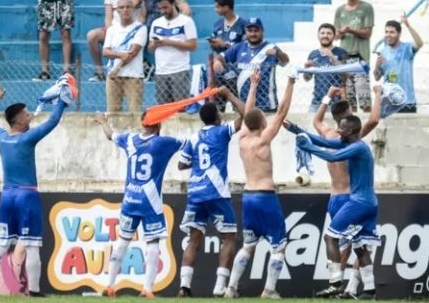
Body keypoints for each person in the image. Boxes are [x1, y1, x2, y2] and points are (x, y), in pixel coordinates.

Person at [0, 82, 68, 297]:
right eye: (27, 115)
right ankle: (35, 291)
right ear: (17, 120)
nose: (30, 117)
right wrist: (63, 102)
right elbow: (53, 121)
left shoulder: (1, 137)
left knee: (0, 243)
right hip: (27, 195)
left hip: (7, 196)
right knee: (32, 244)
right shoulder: (27, 138)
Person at [94, 111, 184, 299]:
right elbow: (188, 142)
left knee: (123, 241)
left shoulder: (129, 139)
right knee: (153, 242)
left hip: (130, 200)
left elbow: (111, 135)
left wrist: (103, 121)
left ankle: (109, 286)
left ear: (143, 124)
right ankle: (147, 289)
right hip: (150, 202)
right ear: (158, 125)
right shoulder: (163, 143)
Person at [290, 114, 381, 299]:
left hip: (359, 203)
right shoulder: (352, 144)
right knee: (359, 245)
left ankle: (335, 282)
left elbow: (332, 157)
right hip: (370, 202)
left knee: (330, 237)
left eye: (341, 128)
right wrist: (296, 130)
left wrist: (308, 147)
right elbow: (325, 142)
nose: (338, 130)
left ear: (351, 131)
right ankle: (370, 289)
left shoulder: (357, 148)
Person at [224, 72, 296, 298]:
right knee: (279, 246)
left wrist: (253, 85)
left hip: (248, 197)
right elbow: (282, 111)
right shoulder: (264, 139)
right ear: (263, 122)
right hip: (266, 197)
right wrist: (290, 83)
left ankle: (231, 288)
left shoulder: (243, 140)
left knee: (248, 245)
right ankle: (269, 290)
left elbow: (248, 113)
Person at [177, 87, 246, 297]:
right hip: (216, 191)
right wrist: (229, 95)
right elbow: (246, 113)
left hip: (196, 192)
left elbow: (181, 165)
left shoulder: (193, 138)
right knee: (228, 238)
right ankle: (219, 287)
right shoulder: (222, 131)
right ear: (217, 116)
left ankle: (184, 287)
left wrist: (199, 163)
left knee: (193, 240)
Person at [214, 17, 290, 112]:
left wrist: (277, 53)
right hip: (243, 104)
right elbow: (220, 57)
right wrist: (217, 62)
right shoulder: (239, 47)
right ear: (246, 32)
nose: (253, 34)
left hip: (266, 105)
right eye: (250, 31)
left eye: (256, 30)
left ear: (262, 31)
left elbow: (286, 61)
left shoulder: (270, 47)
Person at [88, 0, 145, 82]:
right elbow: (108, 17)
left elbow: (133, 4)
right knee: (91, 35)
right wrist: (111, 34)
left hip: (132, 31)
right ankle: (99, 72)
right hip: (114, 29)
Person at [148, 0, 198, 103]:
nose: (163, 11)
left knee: (180, 108)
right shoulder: (156, 23)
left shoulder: (186, 22)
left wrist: (169, 42)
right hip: (161, 71)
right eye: (160, 8)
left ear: (173, 4)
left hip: (179, 70)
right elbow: (150, 48)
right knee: (163, 108)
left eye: (165, 7)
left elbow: (193, 46)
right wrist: (155, 44)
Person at [334, 0, 374, 112]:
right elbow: (336, 35)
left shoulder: (367, 8)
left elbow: (368, 33)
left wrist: (350, 30)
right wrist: (341, 32)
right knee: (349, 99)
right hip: (345, 58)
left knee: (365, 98)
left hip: (361, 58)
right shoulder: (340, 11)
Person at [103, 0, 147, 114]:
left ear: (133, 9)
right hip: (113, 78)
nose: (125, 10)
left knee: (135, 113)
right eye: (122, 7)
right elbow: (105, 52)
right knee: (112, 113)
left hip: (133, 76)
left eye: (128, 7)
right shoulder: (112, 29)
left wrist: (116, 68)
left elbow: (132, 53)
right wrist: (120, 54)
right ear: (117, 11)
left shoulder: (140, 28)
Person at [373, 15, 424, 113]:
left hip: (407, 101)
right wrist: (377, 65)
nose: (388, 35)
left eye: (392, 32)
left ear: (399, 34)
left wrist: (408, 25)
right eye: (386, 32)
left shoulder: (406, 48)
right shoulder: (383, 51)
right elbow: (377, 77)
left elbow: (419, 43)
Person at [209, 0, 246, 111]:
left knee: (237, 103)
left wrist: (225, 44)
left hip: (236, 69)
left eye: (217, 7)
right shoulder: (217, 24)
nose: (215, 10)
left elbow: (245, 46)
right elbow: (214, 48)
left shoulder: (243, 25)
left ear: (226, 7)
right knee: (218, 104)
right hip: (219, 69)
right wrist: (214, 44)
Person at [305, 24, 349, 112]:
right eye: (322, 33)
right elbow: (307, 78)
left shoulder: (342, 52)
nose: (325, 36)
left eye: (329, 33)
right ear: (318, 35)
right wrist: (306, 68)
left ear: (334, 36)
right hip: (317, 101)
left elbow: (346, 76)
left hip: (336, 101)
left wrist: (333, 58)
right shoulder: (313, 54)